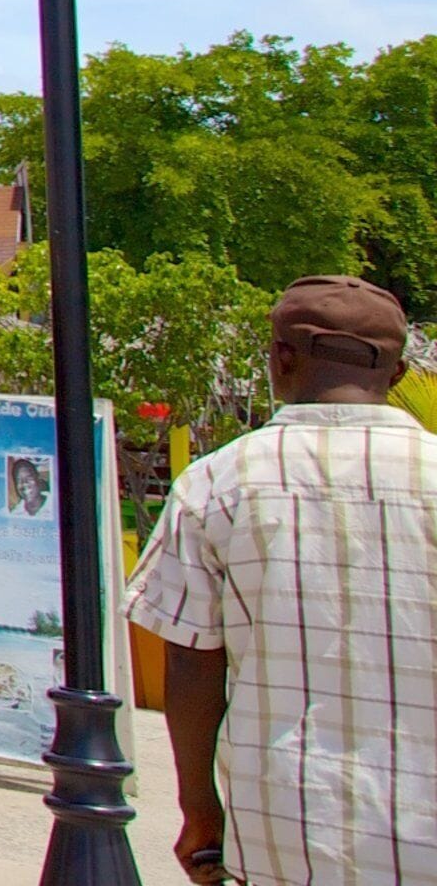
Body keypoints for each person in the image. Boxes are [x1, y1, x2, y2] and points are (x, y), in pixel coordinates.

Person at [125, 274, 437, 886]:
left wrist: (199, 810)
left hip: (282, 828)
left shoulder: (216, 484)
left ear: (282, 358)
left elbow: (190, 661)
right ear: (398, 374)